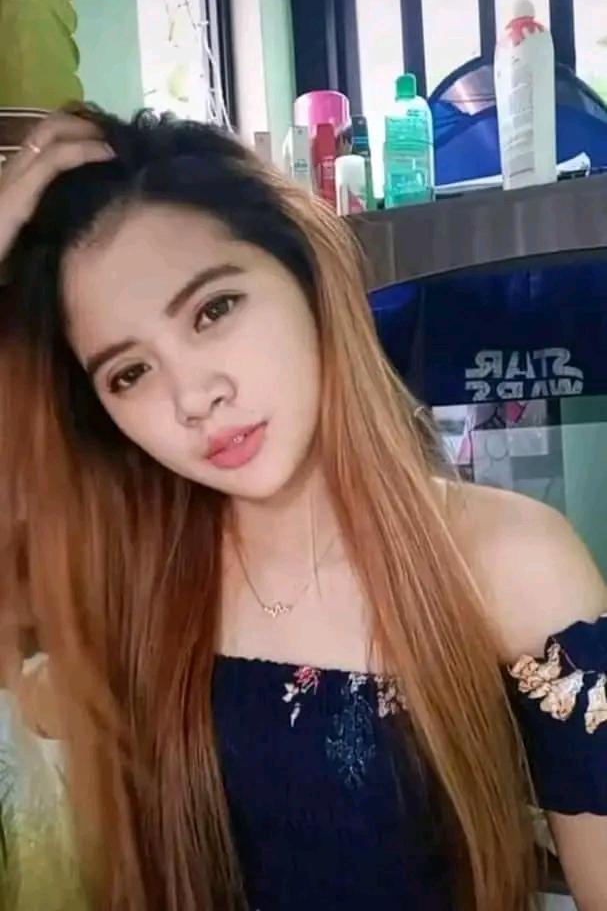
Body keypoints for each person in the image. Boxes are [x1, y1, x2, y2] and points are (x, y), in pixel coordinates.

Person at [0, 108, 605, 911]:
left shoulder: (505, 563)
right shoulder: (126, 590)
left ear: (305, 278)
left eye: (213, 309)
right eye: (129, 373)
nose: (193, 397)